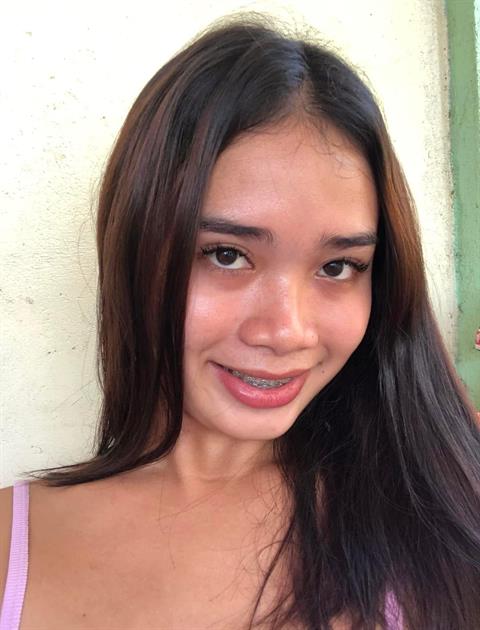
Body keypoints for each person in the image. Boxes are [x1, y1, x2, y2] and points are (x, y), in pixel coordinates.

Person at [1, 13, 479, 630]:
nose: (287, 332)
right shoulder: (15, 543)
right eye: (227, 255)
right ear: (136, 250)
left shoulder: (449, 505)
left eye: (338, 266)